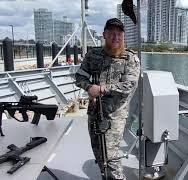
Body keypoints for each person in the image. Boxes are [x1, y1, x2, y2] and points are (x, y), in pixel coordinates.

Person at [75, 18, 140, 180]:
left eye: (119, 34)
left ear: (123, 36)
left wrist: (103, 89)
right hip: (94, 112)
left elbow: (130, 85)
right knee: (98, 152)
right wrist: (89, 87)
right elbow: (80, 76)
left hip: (115, 116)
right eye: (112, 33)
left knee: (110, 156)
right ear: (104, 34)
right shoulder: (93, 55)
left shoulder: (130, 58)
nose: (116, 37)